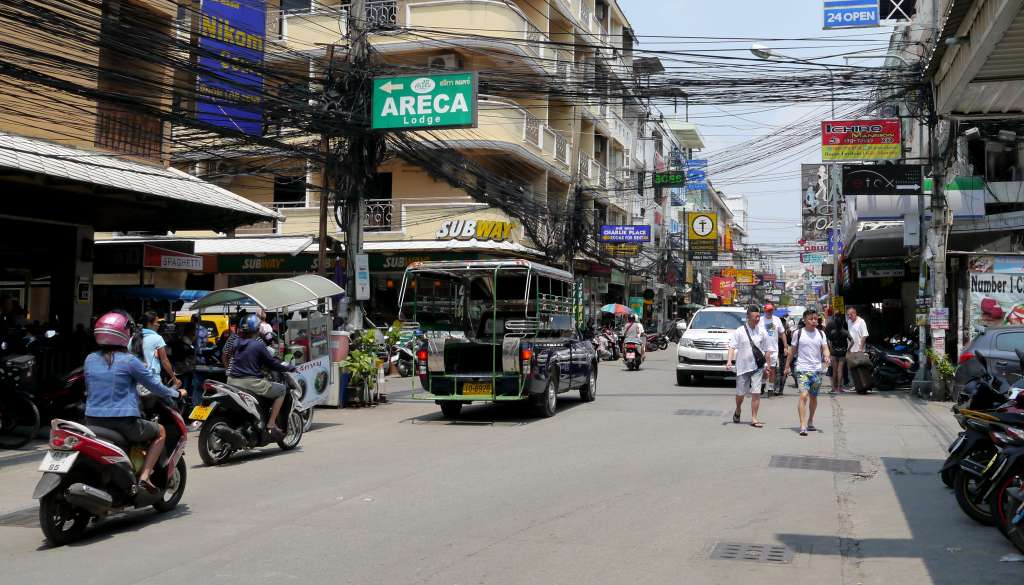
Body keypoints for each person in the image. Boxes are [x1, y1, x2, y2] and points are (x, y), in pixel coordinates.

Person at [84, 311, 186, 492]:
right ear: (124, 334)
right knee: (160, 431)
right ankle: (145, 477)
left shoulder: (90, 359)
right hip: (123, 422)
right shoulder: (130, 361)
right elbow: (155, 386)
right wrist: (176, 393)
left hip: (91, 420)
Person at [227, 314, 296, 439]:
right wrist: (288, 367)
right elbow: (272, 363)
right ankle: (271, 424)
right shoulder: (258, 345)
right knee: (282, 390)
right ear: (257, 329)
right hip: (250, 383)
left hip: (231, 381)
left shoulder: (236, 343)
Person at [784, 309, 831, 436]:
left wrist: (827, 356)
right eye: (811, 319)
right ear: (804, 320)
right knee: (803, 395)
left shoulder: (821, 334)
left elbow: (825, 349)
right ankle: (802, 424)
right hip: (802, 369)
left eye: (816, 319)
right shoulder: (798, 333)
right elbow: (792, 351)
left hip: (816, 370)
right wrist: (787, 366)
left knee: (814, 397)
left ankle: (810, 420)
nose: (814, 321)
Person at [726, 305, 773, 428]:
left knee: (756, 392)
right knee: (740, 394)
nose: (757, 319)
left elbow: (767, 350)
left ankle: (754, 418)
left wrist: (768, 364)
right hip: (743, 367)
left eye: (758, 316)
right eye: (755, 317)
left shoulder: (762, 331)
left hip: (757, 367)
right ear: (748, 317)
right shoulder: (739, 331)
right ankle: (738, 409)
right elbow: (732, 346)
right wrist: (729, 361)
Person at [139, 311, 178, 389]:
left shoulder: (133, 339)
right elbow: (164, 361)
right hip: (152, 379)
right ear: (150, 324)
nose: (158, 325)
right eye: (157, 322)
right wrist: (174, 379)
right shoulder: (157, 338)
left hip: (136, 379)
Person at [758, 303, 789, 397]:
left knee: (772, 369)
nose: (769, 312)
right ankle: (763, 384)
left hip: (773, 349)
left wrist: (785, 346)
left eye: (771, 310)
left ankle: (770, 388)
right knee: (764, 369)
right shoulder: (760, 320)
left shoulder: (777, 320)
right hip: (762, 349)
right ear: (764, 310)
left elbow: (782, 333)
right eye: (767, 310)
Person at [825, 314, 852, 394]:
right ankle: (840, 388)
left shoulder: (833, 332)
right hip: (842, 352)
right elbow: (852, 341)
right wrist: (848, 349)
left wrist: (830, 348)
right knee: (840, 370)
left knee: (834, 371)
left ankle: (834, 388)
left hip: (834, 352)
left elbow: (829, 341)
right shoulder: (845, 332)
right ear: (842, 323)